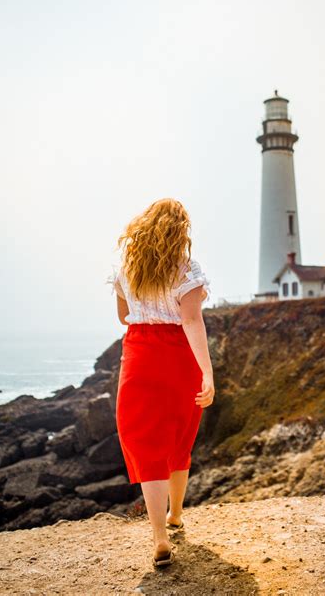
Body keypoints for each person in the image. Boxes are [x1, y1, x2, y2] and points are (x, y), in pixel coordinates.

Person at [107, 198, 215, 568]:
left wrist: (145, 308)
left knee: (147, 444)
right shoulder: (188, 269)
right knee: (179, 437)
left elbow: (124, 317)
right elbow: (192, 323)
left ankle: (159, 537)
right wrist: (208, 373)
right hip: (179, 358)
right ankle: (176, 514)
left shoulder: (126, 268)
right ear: (180, 231)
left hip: (139, 356)